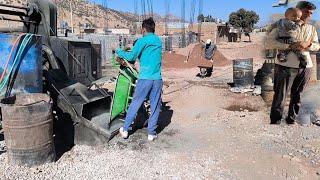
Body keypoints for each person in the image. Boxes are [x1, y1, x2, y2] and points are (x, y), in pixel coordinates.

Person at [265, 1, 320, 125]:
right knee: (280, 97)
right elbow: (269, 43)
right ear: (298, 11)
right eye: (306, 12)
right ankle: (275, 123)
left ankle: (291, 121)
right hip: (284, 66)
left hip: (305, 67)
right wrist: (289, 45)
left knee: (298, 97)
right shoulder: (282, 25)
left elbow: (317, 46)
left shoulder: (311, 29)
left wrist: (308, 44)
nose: (309, 15)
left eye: (311, 13)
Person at [115, 17, 163, 141]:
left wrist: (118, 51)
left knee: (136, 103)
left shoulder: (142, 41)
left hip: (145, 78)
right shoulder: (158, 41)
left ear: (143, 29)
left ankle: (125, 130)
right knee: (155, 105)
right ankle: (151, 133)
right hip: (157, 79)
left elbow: (131, 56)